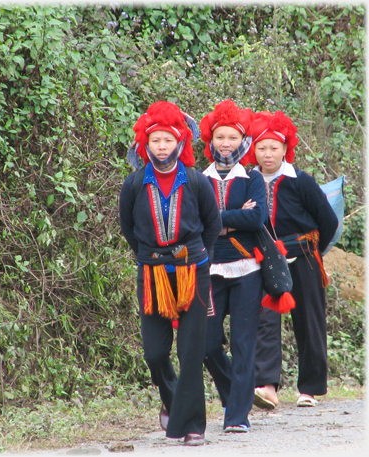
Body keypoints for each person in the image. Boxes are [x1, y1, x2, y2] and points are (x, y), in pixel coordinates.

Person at [119, 101, 222, 446]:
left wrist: (193, 256)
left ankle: (193, 426)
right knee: (155, 352)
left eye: (168, 140)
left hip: (193, 272)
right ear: (145, 145)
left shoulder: (195, 181)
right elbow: (129, 229)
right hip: (151, 275)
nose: (161, 147)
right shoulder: (134, 184)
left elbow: (212, 225)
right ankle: (174, 399)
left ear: (180, 142)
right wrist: (152, 256)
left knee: (191, 351)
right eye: (156, 140)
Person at [249, 110, 339, 409]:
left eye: (274, 147)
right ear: (254, 150)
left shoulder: (302, 181)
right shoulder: (248, 181)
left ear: (286, 148)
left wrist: (312, 249)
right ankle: (267, 385)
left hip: (303, 257)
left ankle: (310, 389)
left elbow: (328, 222)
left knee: (309, 320)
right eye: (261, 147)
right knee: (265, 320)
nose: (268, 153)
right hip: (264, 259)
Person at [199, 99, 268, 432]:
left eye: (232, 137)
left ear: (243, 141)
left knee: (243, 344)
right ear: (210, 141)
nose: (225, 144)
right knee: (207, 343)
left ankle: (237, 417)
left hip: (247, 272)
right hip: (210, 271)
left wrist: (217, 220)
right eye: (220, 137)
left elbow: (257, 217)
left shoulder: (252, 177)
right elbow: (193, 222)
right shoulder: (200, 179)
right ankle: (234, 393)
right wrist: (230, 219)